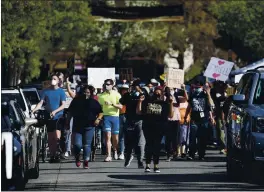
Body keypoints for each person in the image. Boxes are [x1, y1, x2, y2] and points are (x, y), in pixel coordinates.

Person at [136, 86, 174, 173]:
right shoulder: (147, 102)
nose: (157, 94)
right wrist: (140, 102)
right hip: (148, 126)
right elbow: (138, 112)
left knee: (157, 146)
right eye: (156, 92)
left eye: (159, 93)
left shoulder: (164, 103)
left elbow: (170, 115)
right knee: (149, 145)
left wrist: (171, 103)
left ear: (161, 95)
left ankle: (156, 165)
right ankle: (148, 165)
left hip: (160, 127)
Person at [66, 85, 103, 169]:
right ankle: (77, 157)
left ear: (91, 93)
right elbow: (70, 112)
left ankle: (86, 161)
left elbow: (100, 112)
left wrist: (98, 119)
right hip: (77, 126)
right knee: (77, 145)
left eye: (88, 92)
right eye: (84, 92)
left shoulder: (94, 102)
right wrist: (67, 122)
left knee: (87, 145)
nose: (86, 94)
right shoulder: (76, 101)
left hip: (89, 126)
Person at [33, 73, 66, 163]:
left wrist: (55, 111)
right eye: (52, 79)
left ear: (58, 81)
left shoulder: (61, 92)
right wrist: (34, 110)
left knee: (56, 136)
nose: (53, 80)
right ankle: (52, 155)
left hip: (58, 116)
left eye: (55, 79)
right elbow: (41, 103)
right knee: (50, 137)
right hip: (48, 116)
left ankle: (58, 152)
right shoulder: (45, 91)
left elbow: (63, 105)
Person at [184, 80, 215, 161]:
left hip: (204, 119)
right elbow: (189, 106)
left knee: (202, 138)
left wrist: (208, 93)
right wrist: (186, 116)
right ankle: (191, 154)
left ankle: (201, 154)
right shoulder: (193, 94)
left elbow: (211, 106)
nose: (198, 87)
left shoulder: (205, 95)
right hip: (194, 118)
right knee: (192, 137)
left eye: (199, 86)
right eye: (196, 86)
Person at [120, 80, 146, 168]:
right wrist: (128, 93)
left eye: (136, 86)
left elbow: (148, 100)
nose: (134, 88)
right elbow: (122, 102)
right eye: (133, 86)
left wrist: (140, 93)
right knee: (128, 142)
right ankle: (128, 157)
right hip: (129, 120)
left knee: (140, 142)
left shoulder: (143, 94)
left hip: (140, 121)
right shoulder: (128, 95)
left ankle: (140, 161)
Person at [98, 79, 123, 162]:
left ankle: (115, 150)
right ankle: (108, 155)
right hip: (106, 117)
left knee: (115, 138)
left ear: (112, 85)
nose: (106, 86)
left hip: (115, 117)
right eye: (105, 84)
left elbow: (121, 106)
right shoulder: (101, 96)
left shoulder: (117, 94)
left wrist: (112, 104)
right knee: (107, 137)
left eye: (108, 84)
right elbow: (99, 107)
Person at [211, 81, 228, 154]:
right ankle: (222, 147)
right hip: (219, 115)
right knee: (220, 132)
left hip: (227, 116)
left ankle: (226, 147)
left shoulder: (227, 94)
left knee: (225, 132)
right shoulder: (215, 93)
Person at [164, 87, 181, 162]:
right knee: (168, 137)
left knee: (175, 137)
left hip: (176, 118)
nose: (171, 90)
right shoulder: (165, 96)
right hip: (167, 118)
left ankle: (175, 153)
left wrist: (182, 89)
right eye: (169, 89)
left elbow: (179, 103)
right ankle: (168, 153)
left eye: (172, 89)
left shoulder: (177, 96)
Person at [118, 84, 129, 160]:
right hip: (120, 116)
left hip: (128, 116)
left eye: (125, 89)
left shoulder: (130, 97)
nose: (124, 91)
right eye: (123, 89)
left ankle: (128, 152)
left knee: (129, 135)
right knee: (121, 135)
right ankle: (121, 152)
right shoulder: (118, 96)